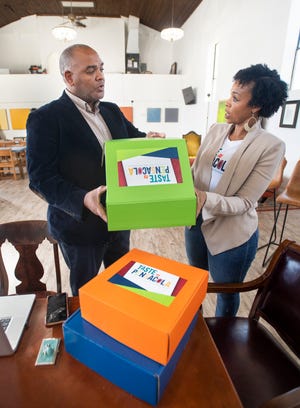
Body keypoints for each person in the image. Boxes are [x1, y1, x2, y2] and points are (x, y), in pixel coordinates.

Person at [26, 44, 165, 295]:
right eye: (91, 71)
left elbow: (133, 140)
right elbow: (40, 179)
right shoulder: (46, 118)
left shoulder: (111, 110)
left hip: (120, 220)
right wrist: (83, 199)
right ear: (69, 77)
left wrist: (149, 140)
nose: (101, 76)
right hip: (79, 228)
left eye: (101, 69)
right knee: (87, 294)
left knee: (124, 288)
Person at [185, 64, 288, 317]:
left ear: (255, 106)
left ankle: (222, 341)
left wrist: (205, 198)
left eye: (235, 98)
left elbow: (245, 202)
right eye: (230, 95)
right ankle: (193, 332)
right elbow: (195, 173)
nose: (227, 103)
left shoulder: (270, 146)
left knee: (225, 295)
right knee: (195, 285)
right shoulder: (215, 130)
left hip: (232, 235)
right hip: (196, 222)